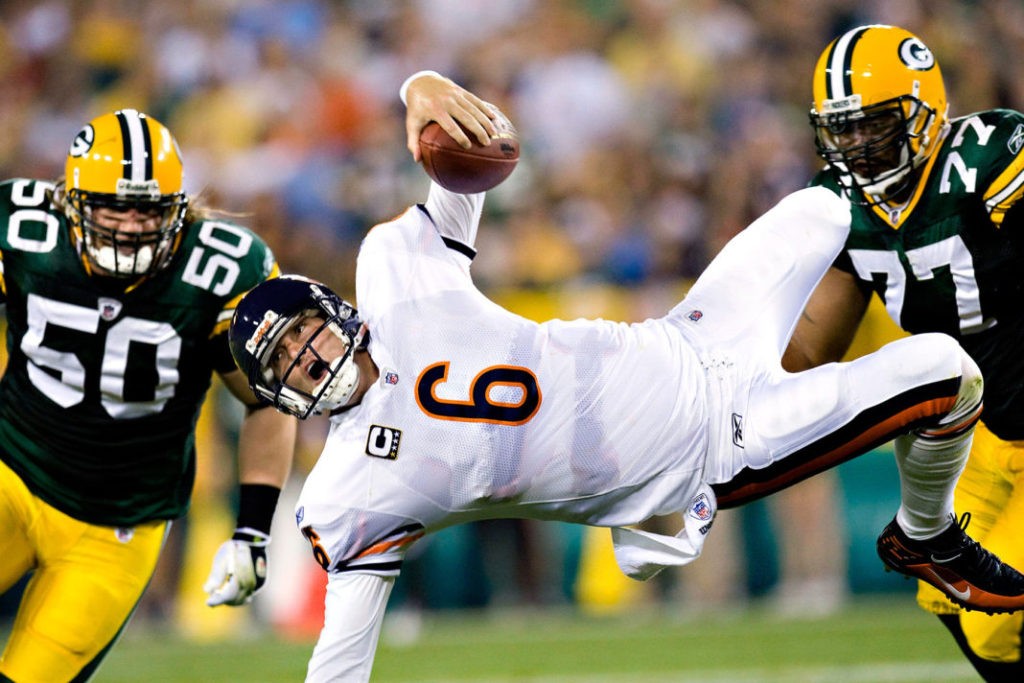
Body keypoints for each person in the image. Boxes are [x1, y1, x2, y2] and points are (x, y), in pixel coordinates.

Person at [229, 71, 1024, 682]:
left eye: (302, 336)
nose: (307, 359)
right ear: (279, 395)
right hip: (714, 447)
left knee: (834, 200)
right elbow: (339, 658)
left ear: (334, 308)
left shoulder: (394, 270)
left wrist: (421, 90)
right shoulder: (348, 491)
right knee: (946, 373)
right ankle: (927, 537)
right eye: (286, 365)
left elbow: (483, 152)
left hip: (690, 332)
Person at [0, 108, 297, 682]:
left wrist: (253, 529)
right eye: (116, 206)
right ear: (72, 200)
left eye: (150, 209)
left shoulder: (222, 269)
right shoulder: (22, 229)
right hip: (12, 475)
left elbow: (267, 401)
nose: (132, 225)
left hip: (117, 529)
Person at [783, 24, 1024, 680]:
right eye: (844, 128)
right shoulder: (837, 203)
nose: (858, 144)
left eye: (875, 124)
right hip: (971, 430)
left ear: (924, 107)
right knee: (943, 586)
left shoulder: (989, 155)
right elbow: (808, 347)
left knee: (998, 620)